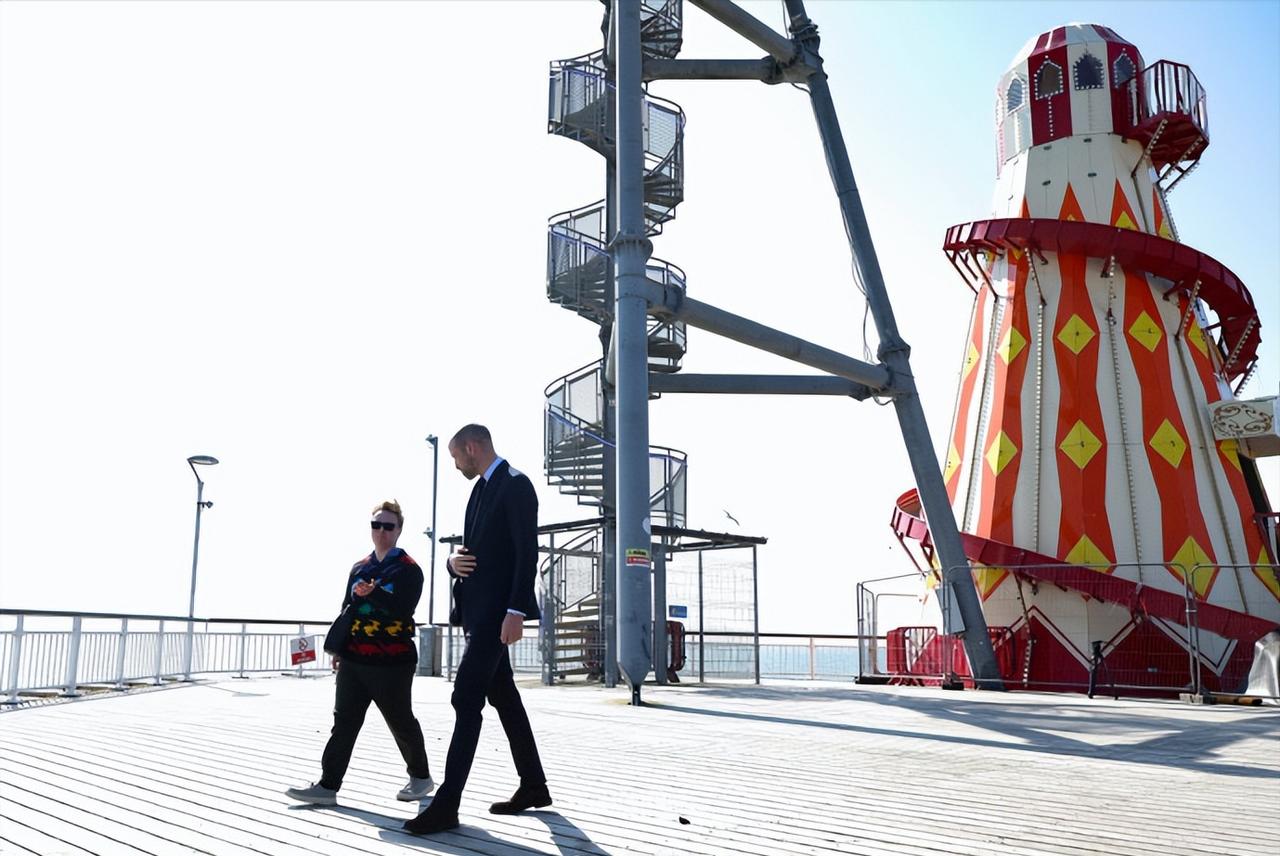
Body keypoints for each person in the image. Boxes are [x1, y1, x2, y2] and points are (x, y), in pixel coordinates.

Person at [404, 424, 550, 835]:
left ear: (472, 447)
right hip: (477, 615)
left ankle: (447, 804)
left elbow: (527, 552)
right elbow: (474, 553)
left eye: (455, 457)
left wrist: (516, 610)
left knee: (465, 696)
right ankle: (534, 785)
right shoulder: (479, 490)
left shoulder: (516, 485)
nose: (455, 465)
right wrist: (451, 563)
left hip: (496, 618)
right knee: (504, 696)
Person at [286, 500, 433, 806]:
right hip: (354, 658)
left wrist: (374, 593)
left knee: (400, 721)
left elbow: (404, 609)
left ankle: (421, 778)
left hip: (392, 660)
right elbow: (347, 608)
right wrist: (339, 649)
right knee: (344, 722)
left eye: (388, 526)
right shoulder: (359, 567)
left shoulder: (409, 569)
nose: (381, 531)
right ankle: (328, 786)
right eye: (376, 525)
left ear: (399, 530)